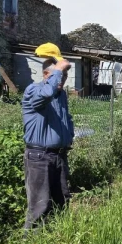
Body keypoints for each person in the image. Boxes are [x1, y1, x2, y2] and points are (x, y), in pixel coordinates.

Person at [21, 55, 74, 229]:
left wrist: (68, 136)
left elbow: (65, 118)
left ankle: (58, 237)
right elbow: (46, 93)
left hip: (58, 155)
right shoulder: (34, 90)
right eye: (58, 75)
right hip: (39, 157)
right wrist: (58, 68)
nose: (61, 79)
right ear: (45, 74)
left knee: (62, 200)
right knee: (39, 205)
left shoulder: (61, 95)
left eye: (64, 76)